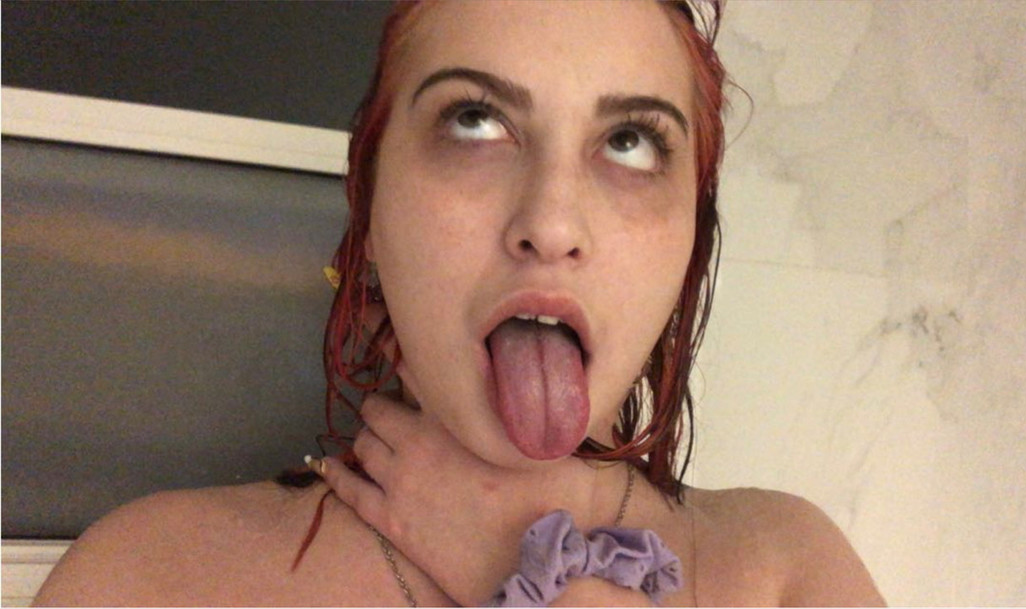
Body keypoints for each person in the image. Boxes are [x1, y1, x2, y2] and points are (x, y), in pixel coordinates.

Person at [35, 1, 885, 606]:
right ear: (369, 202)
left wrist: (515, 561)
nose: (551, 223)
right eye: (475, 120)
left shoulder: (788, 572)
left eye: (629, 141)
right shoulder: (150, 578)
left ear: (691, 232)